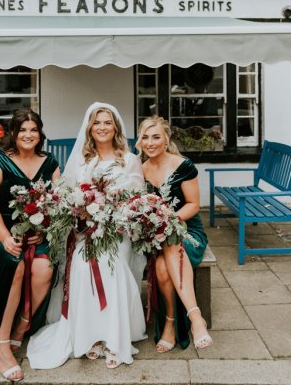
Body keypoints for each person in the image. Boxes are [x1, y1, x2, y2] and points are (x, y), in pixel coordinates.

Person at [27, 102, 147, 369]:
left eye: (107, 122)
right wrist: (82, 216)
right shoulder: (82, 163)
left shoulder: (129, 160)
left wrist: (113, 211)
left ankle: (115, 340)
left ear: (115, 127)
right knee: (81, 267)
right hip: (85, 232)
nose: (102, 127)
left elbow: (136, 197)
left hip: (118, 232)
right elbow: (69, 199)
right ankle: (90, 336)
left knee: (112, 265)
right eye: (97, 122)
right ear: (89, 128)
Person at [0, 109, 60, 382]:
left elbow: (57, 204)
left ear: (40, 133)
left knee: (45, 269)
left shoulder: (49, 162)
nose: (28, 135)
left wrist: (43, 231)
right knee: (15, 264)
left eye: (34, 129)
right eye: (22, 130)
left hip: (34, 232)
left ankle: (22, 326)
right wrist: (6, 237)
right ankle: (1, 344)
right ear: (13, 134)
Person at [137, 116, 212, 353]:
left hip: (187, 230)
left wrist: (167, 221)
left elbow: (193, 205)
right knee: (160, 267)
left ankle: (193, 318)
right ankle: (177, 320)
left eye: (156, 137)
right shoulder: (138, 169)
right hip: (153, 235)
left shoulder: (183, 165)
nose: (150, 142)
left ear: (166, 138)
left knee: (171, 243)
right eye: (145, 137)